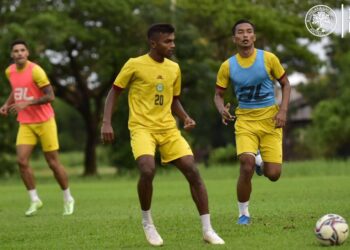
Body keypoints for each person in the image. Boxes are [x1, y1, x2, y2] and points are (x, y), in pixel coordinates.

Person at [101, 23, 224, 246]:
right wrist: (106, 122)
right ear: (153, 43)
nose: (172, 45)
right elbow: (114, 92)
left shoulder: (174, 68)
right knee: (147, 170)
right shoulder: (134, 64)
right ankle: (148, 223)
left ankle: (208, 230)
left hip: (168, 128)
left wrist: (185, 117)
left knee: (192, 170)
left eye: (173, 40)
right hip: (141, 128)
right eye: (168, 41)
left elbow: (173, 99)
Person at [214, 19, 291, 225]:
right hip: (245, 121)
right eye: (240, 32)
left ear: (254, 37)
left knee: (273, 174)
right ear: (234, 38)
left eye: (249, 32)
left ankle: (260, 162)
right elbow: (218, 95)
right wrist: (222, 110)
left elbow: (285, 84)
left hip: (270, 120)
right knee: (245, 165)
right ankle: (243, 214)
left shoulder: (268, 58)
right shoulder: (227, 66)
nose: (245, 35)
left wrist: (283, 110)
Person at [0, 40, 75, 216]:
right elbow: (16, 89)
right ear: (12, 55)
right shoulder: (9, 71)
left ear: (27, 53)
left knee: (53, 163)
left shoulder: (36, 70)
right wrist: (6, 104)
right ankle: (35, 200)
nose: (19, 53)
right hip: (25, 123)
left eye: (22, 50)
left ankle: (68, 198)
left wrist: (28, 102)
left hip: (45, 121)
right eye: (16, 51)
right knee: (22, 161)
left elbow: (50, 96)